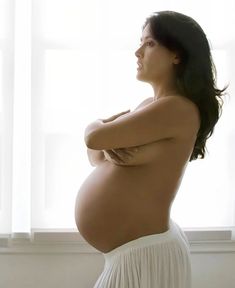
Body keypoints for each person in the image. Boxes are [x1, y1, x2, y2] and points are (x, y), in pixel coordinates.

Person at [81, 10, 228, 288]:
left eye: (149, 44)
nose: (138, 52)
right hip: (133, 254)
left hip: (143, 255)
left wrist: (94, 125)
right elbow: (98, 158)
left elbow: (94, 140)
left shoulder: (177, 108)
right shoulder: (151, 107)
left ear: (177, 54)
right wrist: (103, 141)